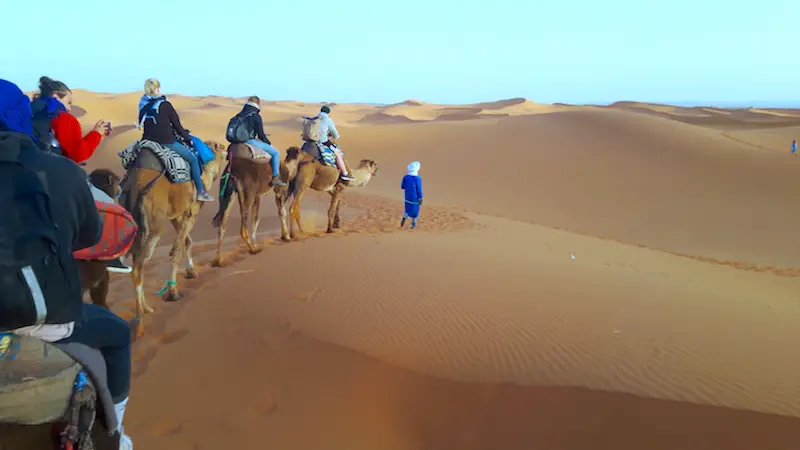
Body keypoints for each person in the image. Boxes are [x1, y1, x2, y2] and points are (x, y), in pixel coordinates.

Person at [0, 78, 133, 450]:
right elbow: (88, 237)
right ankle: (117, 433)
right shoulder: (62, 168)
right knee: (118, 334)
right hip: (47, 323)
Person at [30, 76, 131, 274]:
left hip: (25, 173)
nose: (69, 108)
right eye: (68, 102)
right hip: (56, 175)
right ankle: (110, 254)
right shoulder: (64, 119)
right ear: (55, 96)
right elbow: (78, 154)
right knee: (108, 206)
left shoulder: (28, 114)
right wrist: (97, 134)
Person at [138, 78, 213, 202]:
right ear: (157, 89)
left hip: (146, 140)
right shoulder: (165, 104)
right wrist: (188, 139)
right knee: (193, 159)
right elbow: (177, 126)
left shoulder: (143, 103)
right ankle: (200, 191)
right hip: (165, 141)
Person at [230, 96, 285, 187]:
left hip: (234, 144)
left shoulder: (239, 115)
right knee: (276, 153)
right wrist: (268, 143)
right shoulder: (255, 116)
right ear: (258, 104)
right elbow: (261, 135)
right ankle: (275, 177)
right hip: (249, 142)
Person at [316, 105, 354, 181]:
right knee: (338, 153)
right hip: (323, 141)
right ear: (328, 113)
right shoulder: (327, 120)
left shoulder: (315, 118)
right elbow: (335, 133)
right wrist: (335, 136)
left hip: (311, 140)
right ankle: (344, 173)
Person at [400, 161, 424, 229]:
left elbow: (402, 186)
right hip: (415, 198)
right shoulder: (418, 179)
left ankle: (404, 219)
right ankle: (413, 224)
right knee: (415, 210)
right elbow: (419, 189)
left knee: (407, 209)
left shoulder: (405, 177)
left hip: (407, 197)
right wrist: (421, 197)